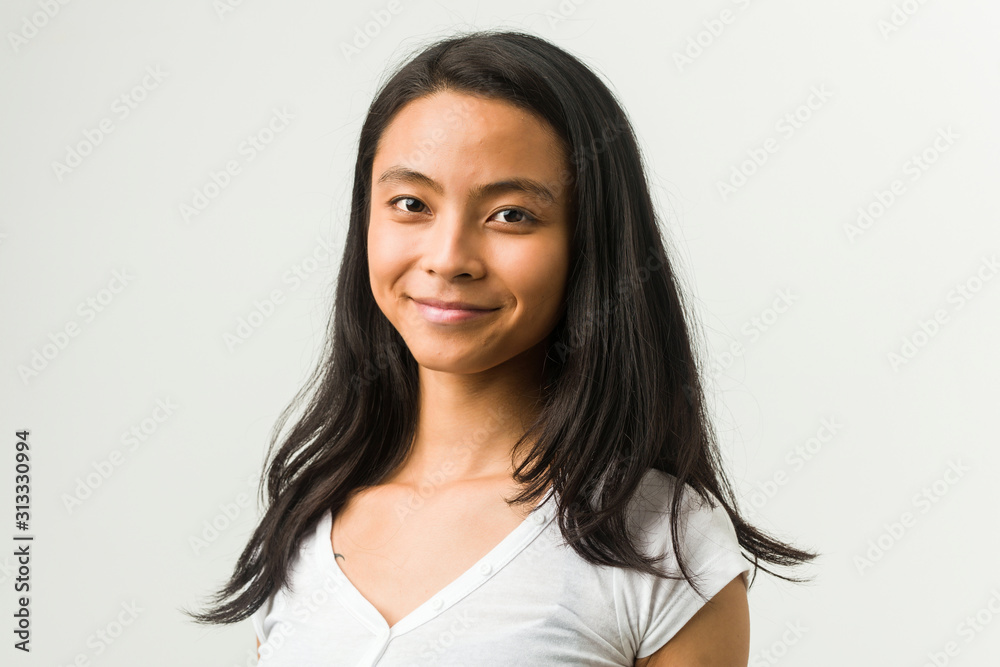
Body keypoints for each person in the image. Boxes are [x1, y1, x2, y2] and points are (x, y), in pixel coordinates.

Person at [183, 28, 817, 665]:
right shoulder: (306, 522)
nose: (449, 258)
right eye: (411, 203)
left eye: (511, 214)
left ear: (589, 243)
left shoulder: (661, 542)